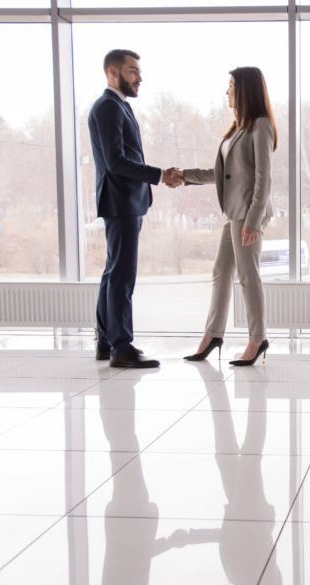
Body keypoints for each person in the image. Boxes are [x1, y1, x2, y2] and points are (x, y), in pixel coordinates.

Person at [170, 67, 276, 366]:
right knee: (221, 271)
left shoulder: (261, 125)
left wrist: (254, 221)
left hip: (248, 215)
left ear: (245, 90)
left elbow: (264, 179)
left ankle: (257, 338)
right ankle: (213, 334)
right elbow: (222, 175)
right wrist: (184, 176)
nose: (227, 92)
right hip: (235, 214)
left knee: (248, 276)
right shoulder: (238, 129)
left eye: (231, 86)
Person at [89, 49, 182, 368]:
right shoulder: (108, 107)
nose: (139, 77)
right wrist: (159, 175)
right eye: (132, 71)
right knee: (122, 275)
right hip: (121, 201)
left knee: (113, 272)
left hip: (123, 201)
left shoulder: (117, 106)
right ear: (112, 73)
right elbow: (116, 162)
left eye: (138, 71)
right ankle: (120, 347)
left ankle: (106, 341)